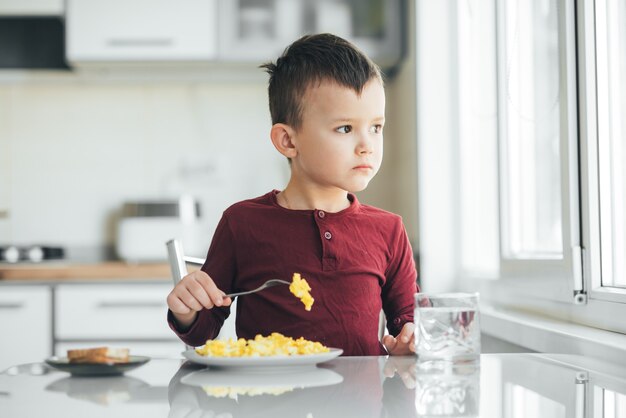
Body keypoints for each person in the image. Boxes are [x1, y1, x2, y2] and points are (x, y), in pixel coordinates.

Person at [166, 33, 418, 356]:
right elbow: (204, 327)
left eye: (376, 127)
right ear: (287, 141)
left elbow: (409, 321)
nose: (367, 144)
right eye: (345, 128)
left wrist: (412, 339)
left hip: (362, 406)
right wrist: (187, 310)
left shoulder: (390, 231)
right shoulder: (241, 223)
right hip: (271, 404)